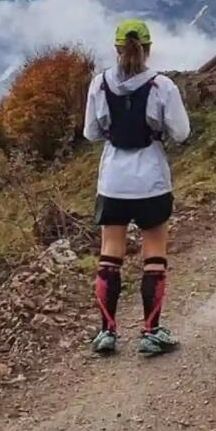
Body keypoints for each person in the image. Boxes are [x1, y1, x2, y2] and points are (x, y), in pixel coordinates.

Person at [83, 19, 191, 356]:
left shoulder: (99, 84)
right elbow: (182, 132)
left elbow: (91, 132)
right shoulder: (163, 87)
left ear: (116, 49)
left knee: (110, 253)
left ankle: (107, 332)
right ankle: (151, 331)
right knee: (154, 253)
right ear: (148, 49)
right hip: (151, 178)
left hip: (113, 178)